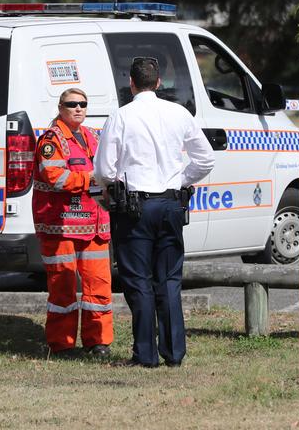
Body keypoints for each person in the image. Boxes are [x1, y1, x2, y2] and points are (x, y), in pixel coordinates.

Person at [94, 57, 214, 367]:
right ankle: (174, 353)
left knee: (138, 282)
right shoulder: (179, 113)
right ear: (158, 82)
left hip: (135, 207)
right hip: (172, 204)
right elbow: (205, 160)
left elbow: (104, 169)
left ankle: (145, 354)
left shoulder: (121, 116)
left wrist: (113, 183)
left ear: (131, 83)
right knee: (169, 280)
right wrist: (180, 180)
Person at [32, 88, 113, 358]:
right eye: (72, 104)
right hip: (61, 225)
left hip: (95, 224)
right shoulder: (51, 139)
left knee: (98, 286)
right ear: (60, 107)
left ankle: (98, 342)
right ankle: (62, 344)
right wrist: (90, 179)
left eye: (83, 104)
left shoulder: (92, 135)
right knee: (62, 289)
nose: (78, 108)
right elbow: (55, 176)